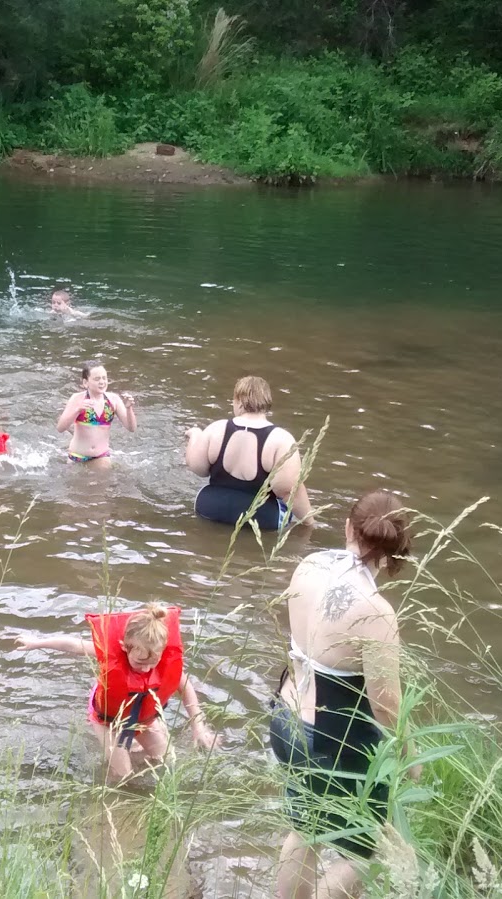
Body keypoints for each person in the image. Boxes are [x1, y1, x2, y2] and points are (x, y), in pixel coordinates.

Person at [272, 491, 413, 899]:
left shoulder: (309, 565)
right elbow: (386, 705)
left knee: (304, 830)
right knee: (373, 849)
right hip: (331, 738)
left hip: (285, 719)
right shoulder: (376, 612)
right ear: (398, 548)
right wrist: (409, 755)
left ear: (348, 527)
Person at [15, 603, 219, 782]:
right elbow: (73, 645)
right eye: (140, 662)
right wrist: (36, 643)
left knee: (167, 762)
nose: (146, 669)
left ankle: (134, 753)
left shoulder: (162, 659)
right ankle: (111, 790)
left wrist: (198, 727)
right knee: (123, 777)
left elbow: (186, 688)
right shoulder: (110, 652)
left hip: (144, 716)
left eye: (152, 663)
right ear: (124, 647)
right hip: (109, 720)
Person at [185, 376, 312, 531]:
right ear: (266, 402)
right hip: (261, 517)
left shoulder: (216, 429)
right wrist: (309, 522)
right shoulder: (281, 439)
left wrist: (195, 435)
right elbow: (289, 491)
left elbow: (196, 467)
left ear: (238, 401)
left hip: (209, 508)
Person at [56, 360, 135, 465]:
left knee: (106, 474)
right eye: (97, 379)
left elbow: (131, 428)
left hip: (101, 455)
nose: (102, 382)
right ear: (85, 383)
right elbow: (60, 428)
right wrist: (77, 410)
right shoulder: (77, 398)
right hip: (77, 455)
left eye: (104, 378)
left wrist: (129, 409)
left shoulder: (113, 399)